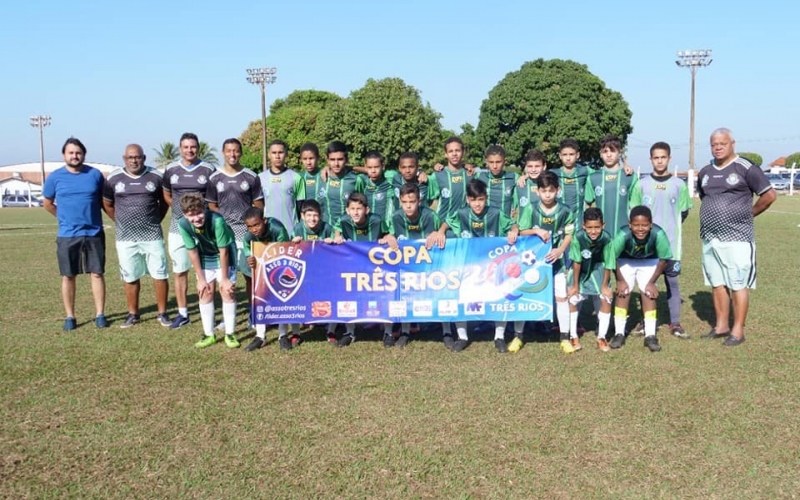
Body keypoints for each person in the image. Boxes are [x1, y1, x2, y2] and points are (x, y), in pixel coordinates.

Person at [696, 128, 776, 346]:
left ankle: (738, 331)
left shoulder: (745, 167)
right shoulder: (705, 171)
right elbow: (705, 197)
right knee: (717, 282)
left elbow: (769, 196)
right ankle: (721, 326)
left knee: (738, 283)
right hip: (710, 237)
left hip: (738, 238)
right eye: (714, 144)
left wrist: (749, 213)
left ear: (733, 143)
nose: (718, 147)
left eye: (723, 143)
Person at [427, 179, 520, 353]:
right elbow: (447, 222)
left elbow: (512, 224)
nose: (477, 204)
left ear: (486, 198)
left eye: (481, 199)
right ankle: (462, 336)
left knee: (499, 297)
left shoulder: (495, 213)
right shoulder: (462, 213)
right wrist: (440, 231)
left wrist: (514, 230)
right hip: (467, 265)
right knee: (460, 296)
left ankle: (499, 336)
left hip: (492, 266)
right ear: (468, 199)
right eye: (473, 200)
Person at [43, 137, 113, 330]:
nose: (75, 156)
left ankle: (100, 314)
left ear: (83, 154)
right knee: (68, 275)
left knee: (97, 273)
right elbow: (48, 203)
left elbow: (105, 201)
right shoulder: (55, 177)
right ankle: (70, 317)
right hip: (67, 235)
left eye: (78, 153)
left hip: (94, 233)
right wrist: (63, 218)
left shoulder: (95, 175)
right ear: (64, 155)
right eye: (71, 153)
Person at [102, 144, 170, 328]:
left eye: (137, 157)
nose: (134, 160)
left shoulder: (155, 176)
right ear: (124, 158)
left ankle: (162, 313)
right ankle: (133, 313)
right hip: (126, 238)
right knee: (130, 276)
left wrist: (156, 219)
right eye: (130, 157)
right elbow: (107, 204)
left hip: (152, 235)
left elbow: (164, 203)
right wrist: (120, 221)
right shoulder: (114, 178)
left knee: (160, 274)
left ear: (144, 157)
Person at [629, 141, 692, 339]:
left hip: (672, 244)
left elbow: (684, 211)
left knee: (672, 282)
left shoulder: (678, 184)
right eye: (656, 157)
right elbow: (634, 211)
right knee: (646, 282)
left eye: (663, 157)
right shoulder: (642, 184)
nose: (659, 161)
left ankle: (675, 323)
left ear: (669, 159)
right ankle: (645, 321)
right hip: (646, 244)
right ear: (650, 160)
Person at [513, 171, 575, 353]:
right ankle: (518, 335)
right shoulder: (531, 209)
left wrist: (560, 250)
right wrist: (536, 231)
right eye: (544, 190)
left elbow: (569, 233)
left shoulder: (565, 210)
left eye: (551, 190)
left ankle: (564, 337)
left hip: (556, 261)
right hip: (532, 262)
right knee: (523, 294)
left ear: (558, 190)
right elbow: (521, 231)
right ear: (537, 191)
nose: (547, 194)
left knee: (561, 297)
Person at [206, 138, 264, 325]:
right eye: (229, 151)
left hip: (246, 235)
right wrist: (222, 224)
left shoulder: (250, 176)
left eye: (236, 151)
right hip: (225, 237)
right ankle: (227, 316)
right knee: (227, 277)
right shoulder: (214, 178)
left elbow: (258, 205)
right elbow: (211, 205)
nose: (232, 154)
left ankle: (252, 313)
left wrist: (252, 226)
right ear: (223, 153)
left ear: (241, 153)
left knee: (250, 276)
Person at [162, 132, 216, 329]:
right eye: (185, 147)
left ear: (198, 148)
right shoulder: (171, 169)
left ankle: (209, 311)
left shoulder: (208, 169)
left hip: (203, 230)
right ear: (180, 148)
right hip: (178, 228)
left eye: (193, 147)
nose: (189, 150)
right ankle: (183, 313)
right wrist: (181, 213)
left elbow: (212, 197)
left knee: (207, 271)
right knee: (180, 271)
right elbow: (167, 195)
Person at [176, 193, 239, 349]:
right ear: (185, 215)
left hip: (225, 254)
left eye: (199, 213)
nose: (196, 218)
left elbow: (223, 251)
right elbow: (192, 251)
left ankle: (230, 334)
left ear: (204, 209)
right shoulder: (183, 224)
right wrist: (201, 278)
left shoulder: (217, 220)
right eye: (191, 215)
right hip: (205, 255)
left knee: (227, 292)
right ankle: (208, 335)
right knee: (205, 292)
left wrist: (224, 279)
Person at [606, 206, 673, 352]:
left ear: (651, 224)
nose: (640, 229)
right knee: (623, 293)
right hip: (625, 261)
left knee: (649, 294)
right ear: (630, 225)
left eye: (644, 225)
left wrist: (652, 282)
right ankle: (619, 333)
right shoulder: (623, 234)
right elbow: (612, 257)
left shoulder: (659, 233)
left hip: (650, 261)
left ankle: (650, 335)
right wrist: (620, 280)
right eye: (636, 225)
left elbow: (664, 259)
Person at [331, 192, 391, 347]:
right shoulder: (344, 221)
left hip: (376, 267)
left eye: (359, 208)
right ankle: (349, 332)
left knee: (384, 297)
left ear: (367, 209)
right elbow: (337, 231)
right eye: (352, 208)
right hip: (353, 268)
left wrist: (387, 238)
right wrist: (337, 237)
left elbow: (388, 234)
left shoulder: (377, 220)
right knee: (348, 298)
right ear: (347, 210)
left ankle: (388, 332)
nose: (356, 212)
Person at [385, 183, 442, 347]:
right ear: (400, 201)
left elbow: (442, 233)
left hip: (428, 267)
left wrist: (439, 233)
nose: (408, 206)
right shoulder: (396, 217)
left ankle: (446, 331)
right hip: (405, 267)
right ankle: (405, 331)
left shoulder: (431, 216)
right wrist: (389, 237)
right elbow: (389, 235)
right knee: (403, 296)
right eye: (404, 202)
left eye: (412, 202)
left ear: (419, 200)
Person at [241, 207, 298, 352]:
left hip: (279, 265)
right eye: (250, 226)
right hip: (261, 267)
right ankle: (260, 336)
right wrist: (250, 257)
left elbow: (284, 249)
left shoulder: (277, 228)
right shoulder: (248, 236)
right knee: (260, 297)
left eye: (257, 225)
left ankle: (283, 335)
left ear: (264, 221)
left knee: (281, 299)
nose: (254, 229)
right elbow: (247, 247)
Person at [566, 208, 614, 351]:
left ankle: (601, 337)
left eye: (597, 227)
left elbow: (609, 262)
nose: (593, 231)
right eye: (590, 228)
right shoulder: (578, 238)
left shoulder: (606, 238)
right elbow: (576, 262)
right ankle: (573, 335)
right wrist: (575, 285)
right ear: (583, 226)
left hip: (598, 268)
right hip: (581, 271)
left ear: (603, 225)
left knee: (606, 298)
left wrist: (605, 285)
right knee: (573, 298)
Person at [584, 135, 639, 236]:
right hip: (600, 236)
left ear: (619, 153)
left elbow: (635, 207)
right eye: (605, 151)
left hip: (625, 234)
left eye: (612, 151)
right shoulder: (593, 177)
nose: (609, 155)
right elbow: (587, 205)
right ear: (600, 154)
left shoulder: (630, 177)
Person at [258, 139, 305, 235]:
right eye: (274, 153)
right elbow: (259, 207)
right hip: (269, 232)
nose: (277, 156)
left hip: (291, 232)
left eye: (281, 152)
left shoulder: (296, 177)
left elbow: (301, 208)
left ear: (286, 154)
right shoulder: (260, 178)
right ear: (269, 155)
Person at [319, 141, 364, 227]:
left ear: (346, 160)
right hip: (326, 230)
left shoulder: (355, 180)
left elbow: (374, 171)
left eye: (340, 159)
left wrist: (352, 167)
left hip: (348, 229)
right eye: (332, 160)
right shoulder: (321, 177)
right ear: (327, 160)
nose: (336, 164)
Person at [428, 137, 472, 224]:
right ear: (445, 154)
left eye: (457, 150)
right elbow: (427, 201)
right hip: (442, 227)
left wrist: (469, 166)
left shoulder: (470, 174)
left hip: (464, 226)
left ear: (463, 152)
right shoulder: (437, 175)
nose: (454, 154)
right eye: (450, 151)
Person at [549, 139, 590, 221]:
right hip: (559, 222)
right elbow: (535, 175)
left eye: (571, 154)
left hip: (579, 224)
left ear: (577, 155)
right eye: (565, 155)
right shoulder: (553, 174)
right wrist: (525, 176)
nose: (568, 158)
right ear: (560, 156)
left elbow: (602, 174)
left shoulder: (585, 171)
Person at [474, 145, 518, 218]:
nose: (494, 166)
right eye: (491, 162)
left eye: (498, 162)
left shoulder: (514, 177)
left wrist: (525, 176)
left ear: (505, 161)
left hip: (505, 225)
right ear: (486, 162)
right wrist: (466, 165)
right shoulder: (479, 177)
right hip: (485, 223)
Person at [360, 151, 397, 233]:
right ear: (365, 168)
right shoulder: (362, 181)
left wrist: (420, 173)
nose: (373, 171)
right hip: (368, 230)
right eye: (370, 167)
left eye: (376, 167)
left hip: (388, 230)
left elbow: (408, 174)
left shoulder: (390, 178)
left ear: (383, 166)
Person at [514, 149, 546, 216]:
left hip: (543, 226)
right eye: (530, 166)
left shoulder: (550, 184)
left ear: (544, 166)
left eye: (537, 166)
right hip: (523, 226)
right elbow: (512, 209)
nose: (533, 170)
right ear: (525, 167)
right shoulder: (519, 184)